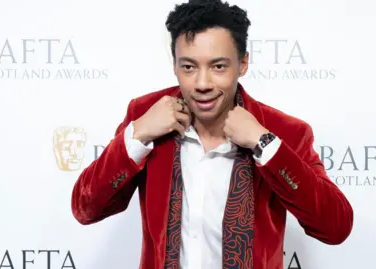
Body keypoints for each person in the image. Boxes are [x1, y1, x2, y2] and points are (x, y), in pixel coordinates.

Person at [71, 0, 354, 268]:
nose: (202, 83)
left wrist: (265, 144)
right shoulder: (145, 115)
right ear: (174, 65)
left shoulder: (283, 132)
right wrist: (138, 135)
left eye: (218, 66)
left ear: (242, 63)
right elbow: (86, 208)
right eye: (189, 67)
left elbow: (335, 227)